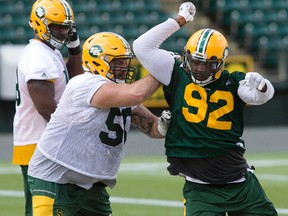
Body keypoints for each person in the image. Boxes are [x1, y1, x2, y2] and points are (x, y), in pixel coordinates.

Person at [133, 2, 278, 216]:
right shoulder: (174, 70)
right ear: (186, 56)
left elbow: (261, 96)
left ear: (221, 62)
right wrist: (179, 20)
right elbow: (141, 46)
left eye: (207, 64)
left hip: (241, 184)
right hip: (200, 189)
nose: (200, 69)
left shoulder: (232, 82)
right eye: (195, 61)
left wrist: (263, 85)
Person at [27, 31, 171, 216]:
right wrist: (162, 68)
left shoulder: (118, 90)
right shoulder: (84, 83)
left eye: (124, 62)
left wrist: (163, 125)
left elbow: (151, 128)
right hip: (56, 178)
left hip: (90, 183)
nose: (124, 67)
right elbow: (138, 93)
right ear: (97, 61)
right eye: (117, 62)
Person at [12, 0, 83, 215]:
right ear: (41, 24)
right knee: (42, 211)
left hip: (45, 142)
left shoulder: (46, 51)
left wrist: (74, 50)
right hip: (39, 144)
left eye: (66, 27)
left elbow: (74, 79)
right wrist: (75, 132)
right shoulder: (38, 56)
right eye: (57, 26)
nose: (63, 32)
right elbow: (46, 108)